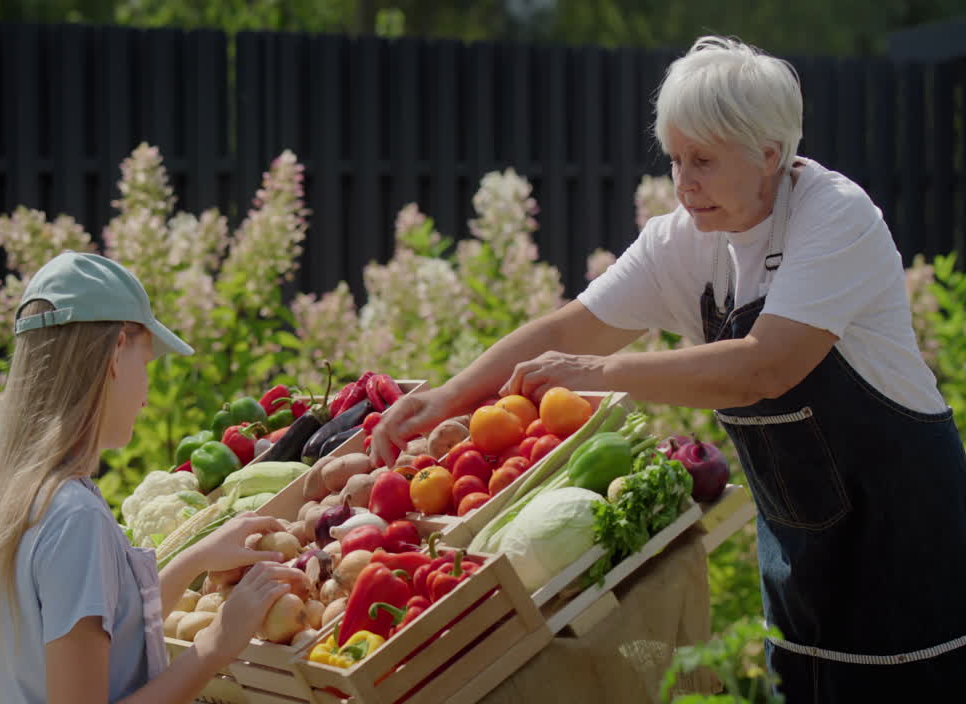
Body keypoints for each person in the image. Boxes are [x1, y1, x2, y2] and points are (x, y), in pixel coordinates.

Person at [372, 35, 966, 700]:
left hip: (903, 536)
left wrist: (595, 374)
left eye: (704, 161)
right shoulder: (682, 240)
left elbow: (765, 368)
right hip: (800, 545)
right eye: (677, 158)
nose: (683, 181)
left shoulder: (836, 217)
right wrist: (446, 399)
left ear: (770, 153)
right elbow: (571, 328)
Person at [0, 251, 307, 704]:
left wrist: (193, 561)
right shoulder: (75, 517)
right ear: (115, 352)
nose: (147, 393)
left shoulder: (23, 495)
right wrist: (217, 644)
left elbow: (113, 631)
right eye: (146, 363)